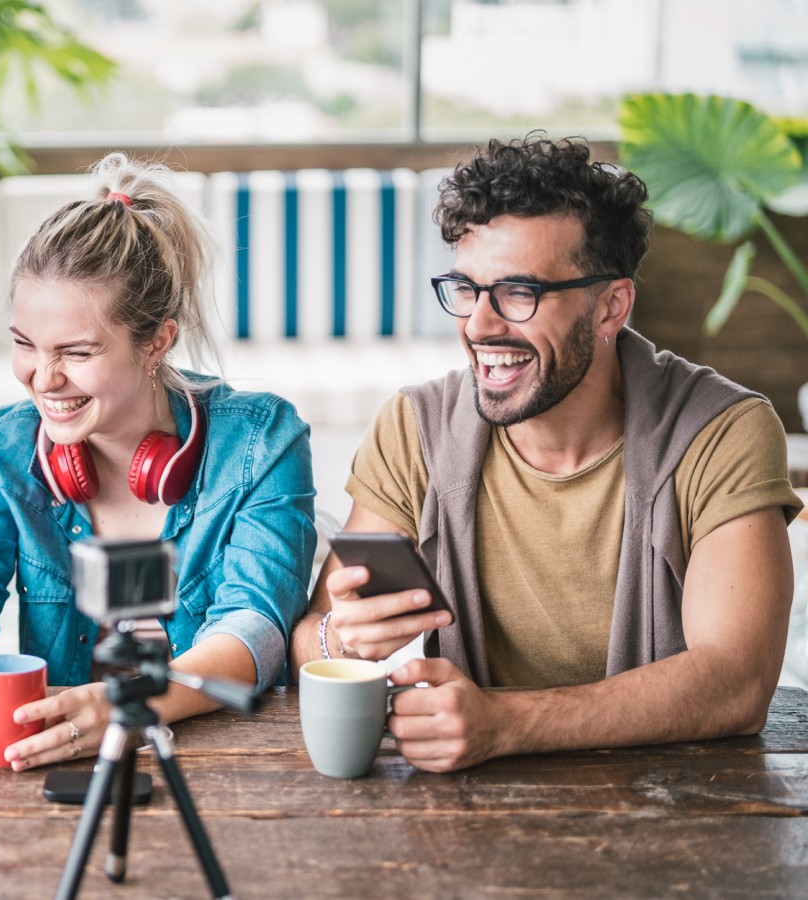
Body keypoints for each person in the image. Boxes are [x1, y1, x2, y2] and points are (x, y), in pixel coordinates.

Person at [291, 135, 803, 772]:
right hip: (457, 816)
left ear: (611, 305)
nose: (479, 326)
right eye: (467, 288)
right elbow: (310, 638)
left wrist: (504, 723)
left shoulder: (721, 432)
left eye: (519, 293)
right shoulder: (414, 427)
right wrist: (341, 640)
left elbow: (737, 683)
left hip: (669, 809)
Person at [0, 153, 317, 771]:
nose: (43, 379)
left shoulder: (263, 439)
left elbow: (254, 628)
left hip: (222, 762)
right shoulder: (2, 447)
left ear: (158, 340)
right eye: (24, 344)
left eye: (76, 351)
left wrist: (130, 706)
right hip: (52, 764)